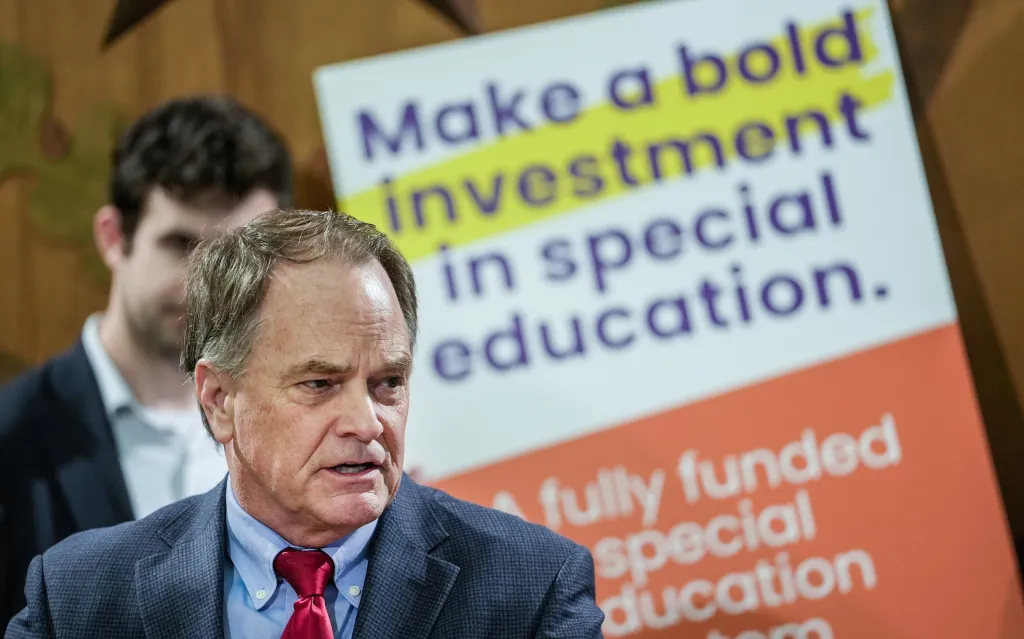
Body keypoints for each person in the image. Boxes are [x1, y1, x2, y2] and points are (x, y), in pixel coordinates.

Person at [5, 209, 605, 639]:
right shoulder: (80, 598)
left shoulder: (530, 588)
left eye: (387, 383)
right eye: (319, 384)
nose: (367, 422)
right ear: (219, 401)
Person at [0, 96, 292, 626]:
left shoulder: (311, 433)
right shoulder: (9, 441)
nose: (211, 289)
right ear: (113, 238)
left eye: (240, 255)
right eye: (182, 245)